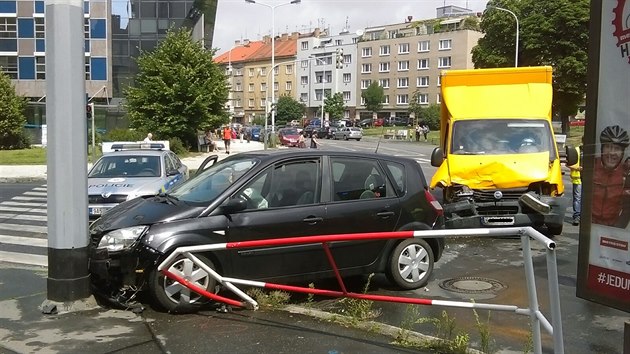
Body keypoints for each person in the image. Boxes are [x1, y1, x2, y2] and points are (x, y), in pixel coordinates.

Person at [592, 125, 630, 228]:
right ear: (602, 148)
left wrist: (617, 231)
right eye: (608, 147)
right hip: (590, 226)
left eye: (617, 148)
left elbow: (627, 209)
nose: (611, 153)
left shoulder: (626, 173)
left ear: (623, 153)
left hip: (614, 228)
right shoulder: (591, 166)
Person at [568, 137, 583, 225]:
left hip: (590, 179)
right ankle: (577, 216)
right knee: (577, 198)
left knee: (588, 199)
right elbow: (568, 164)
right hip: (578, 178)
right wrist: (577, 168)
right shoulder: (576, 150)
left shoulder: (594, 150)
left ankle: (585, 216)